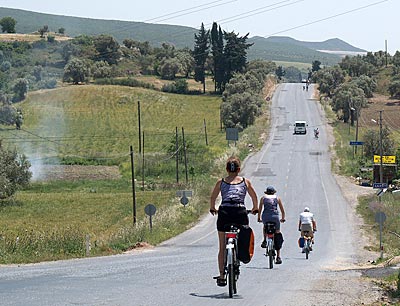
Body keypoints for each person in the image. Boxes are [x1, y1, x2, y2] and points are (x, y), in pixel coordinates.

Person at [210, 156, 258, 287]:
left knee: (222, 246)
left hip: (225, 212)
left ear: (226, 169)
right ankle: (241, 255)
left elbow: (213, 197)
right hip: (240, 212)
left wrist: (212, 208)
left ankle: (221, 275)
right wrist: (255, 208)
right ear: (239, 169)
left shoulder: (221, 182)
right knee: (244, 235)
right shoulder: (245, 181)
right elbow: (254, 197)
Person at [258, 186, 286, 264]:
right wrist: (283, 218)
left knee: (265, 226)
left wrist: (258, 218)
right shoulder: (277, 198)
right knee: (277, 232)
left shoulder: (263, 198)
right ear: (274, 192)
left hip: (265, 217)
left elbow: (260, 209)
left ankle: (264, 240)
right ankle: (278, 257)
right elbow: (282, 210)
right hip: (275, 217)